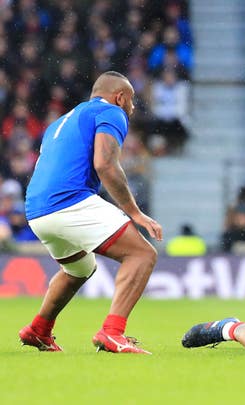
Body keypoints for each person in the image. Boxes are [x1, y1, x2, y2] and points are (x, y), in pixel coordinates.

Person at [19, 71, 162, 354]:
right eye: (131, 101)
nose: (132, 108)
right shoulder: (112, 112)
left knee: (78, 269)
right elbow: (105, 164)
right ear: (119, 97)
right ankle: (112, 332)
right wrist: (134, 212)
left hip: (37, 210)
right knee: (142, 254)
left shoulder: (60, 122)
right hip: (69, 201)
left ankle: (38, 330)